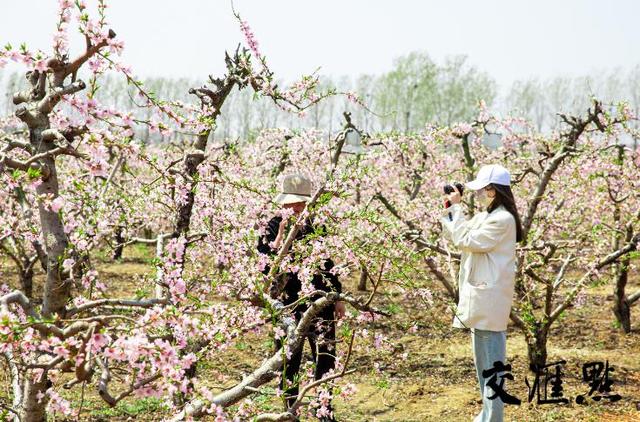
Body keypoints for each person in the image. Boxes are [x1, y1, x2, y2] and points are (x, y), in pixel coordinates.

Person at [257, 173, 345, 421]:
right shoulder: (271, 226)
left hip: (319, 301)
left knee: (326, 357)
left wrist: (337, 296)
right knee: (289, 360)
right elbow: (267, 268)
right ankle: (289, 412)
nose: (294, 208)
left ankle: (324, 410)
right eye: (290, 203)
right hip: (287, 304)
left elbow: (327, 265)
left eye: (300, 203)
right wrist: (283, 234)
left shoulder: (317, 226)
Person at [440, 164, 524, 422]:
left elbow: (467, 240)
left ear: (493, 190)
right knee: (484, 368)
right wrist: (453, 208)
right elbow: (456, 232)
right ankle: (487, 415)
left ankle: (492, 419)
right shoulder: (489, 215)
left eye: (483, 190)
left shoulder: (502, 219)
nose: (478, 195)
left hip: (489, 301)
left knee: (492, 370)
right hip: (483, 299)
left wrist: (456, 208)